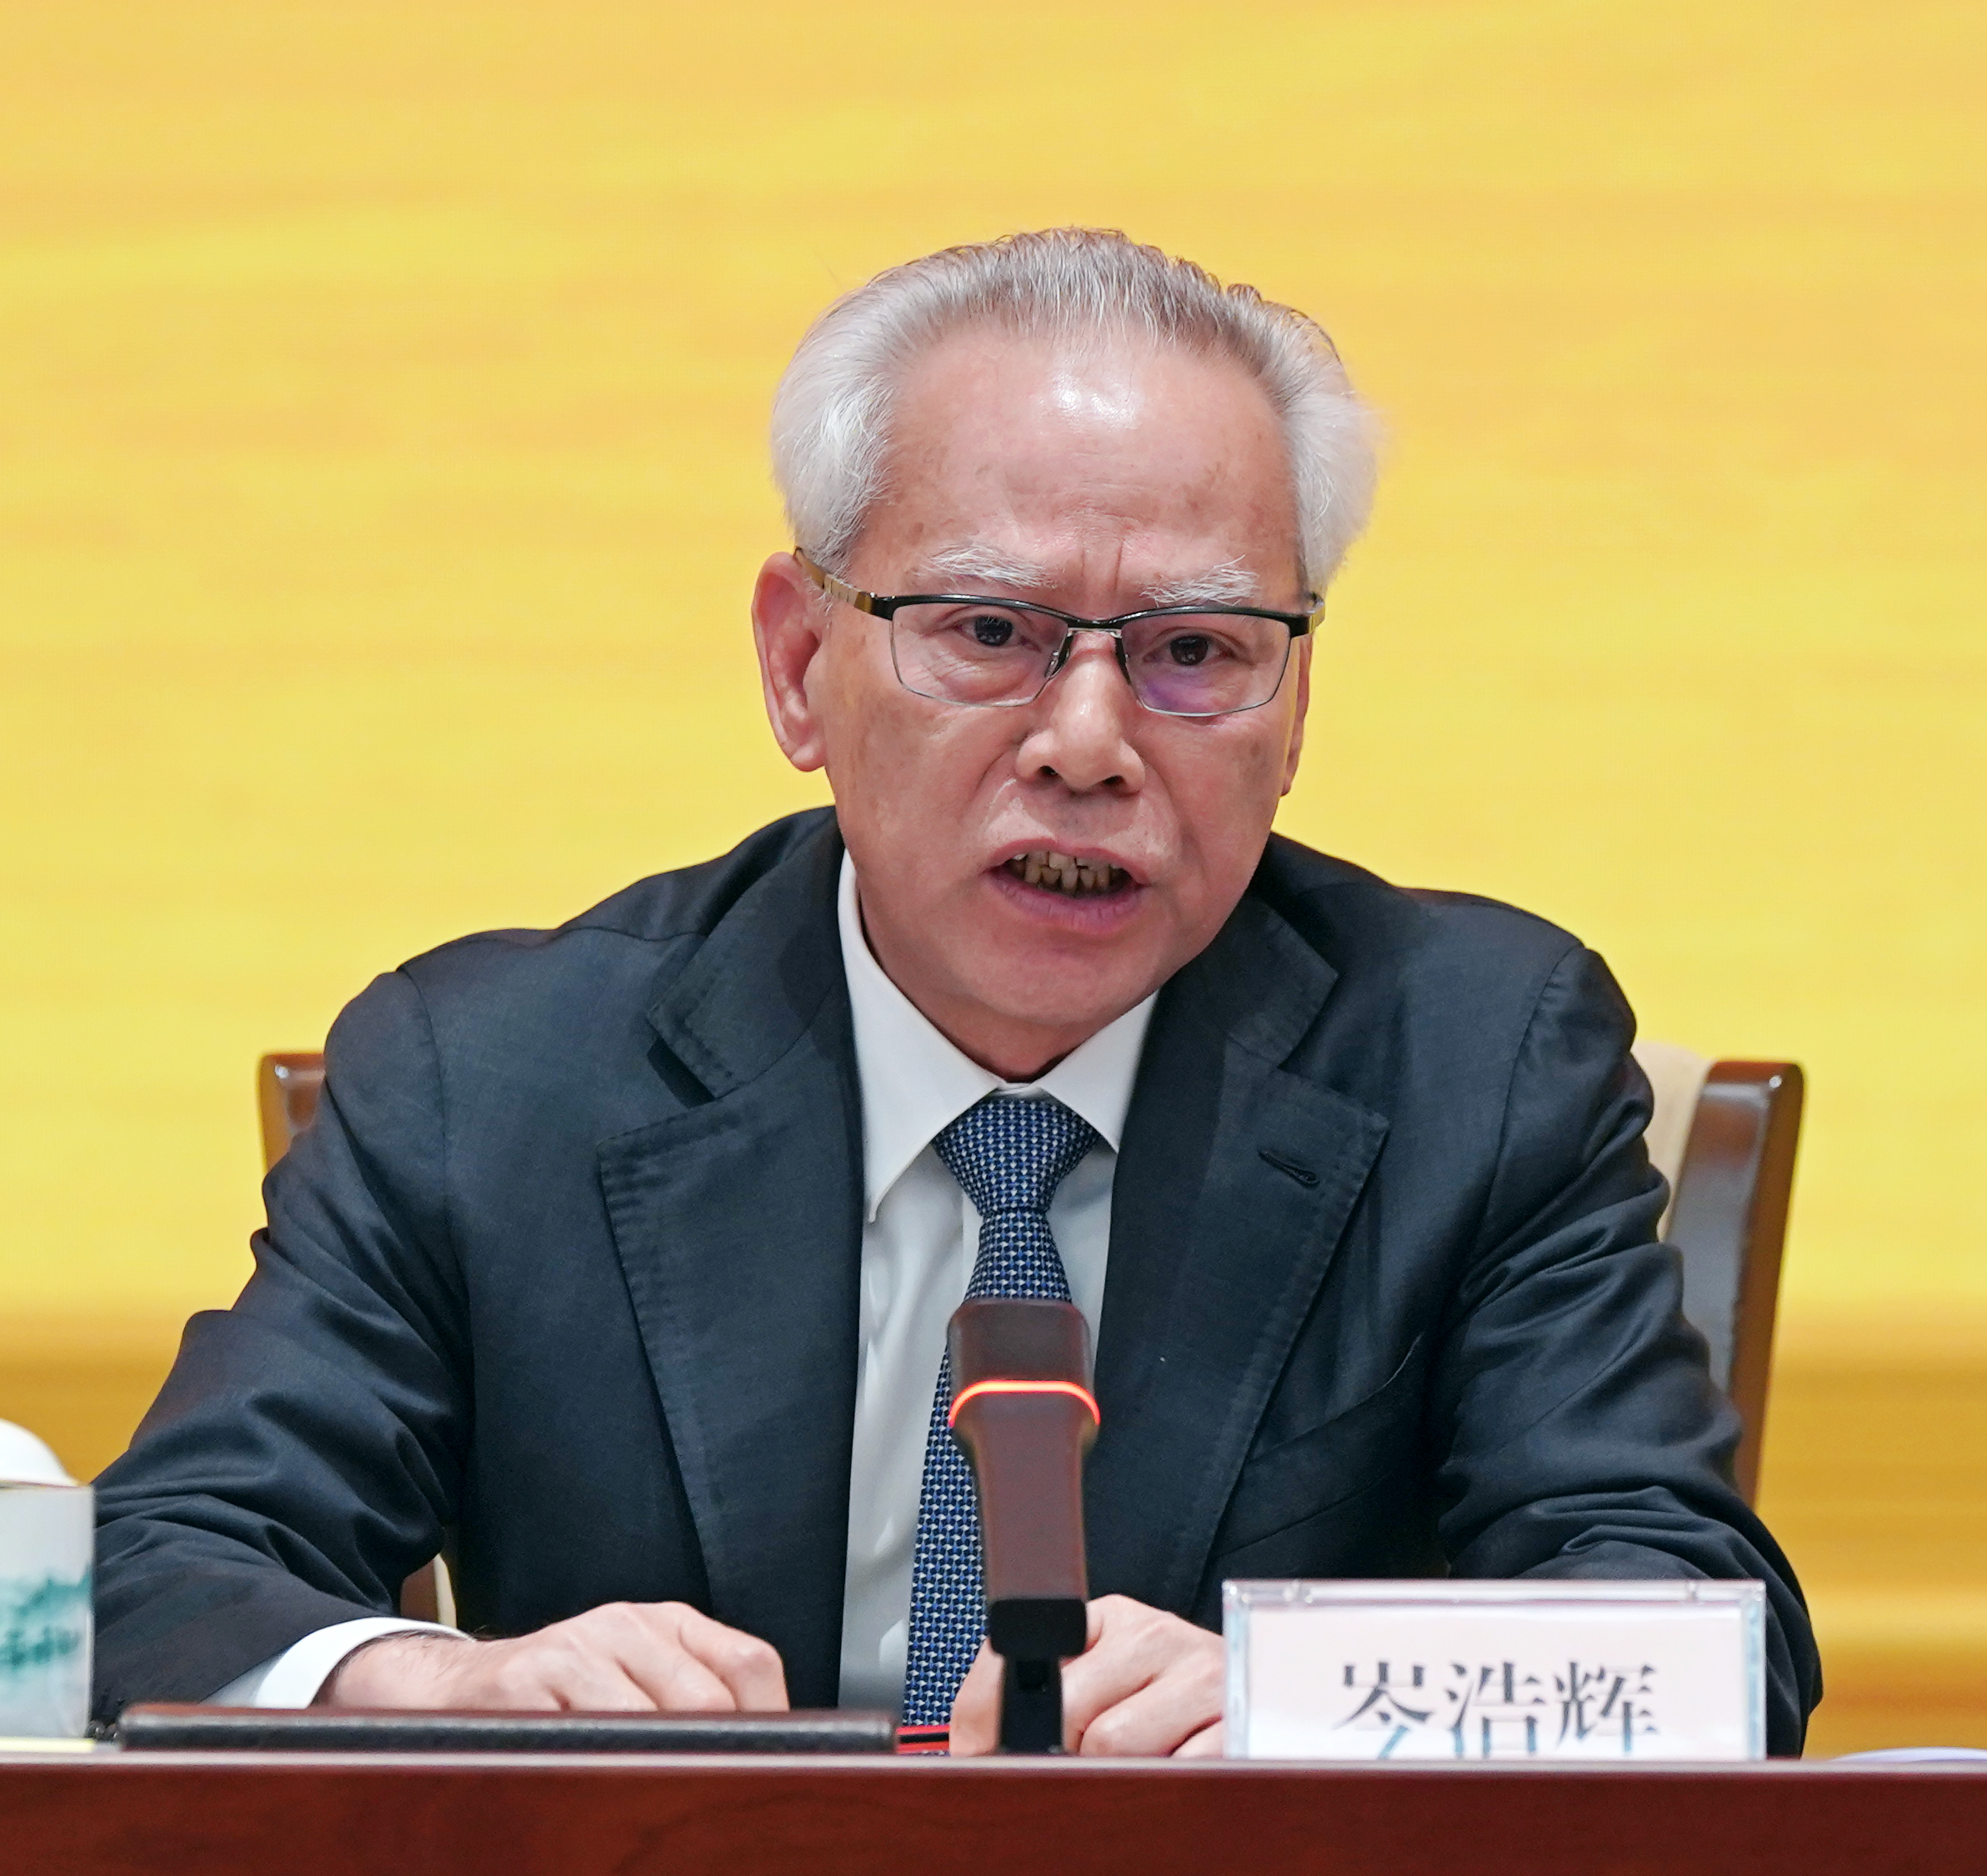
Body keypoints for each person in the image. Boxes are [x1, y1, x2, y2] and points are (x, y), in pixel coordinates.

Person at [91, 229, 1819, 1753]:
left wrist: (1304, 1701)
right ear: (799, 664)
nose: (1089, 743)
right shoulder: (497, 1077)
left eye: (1195, 652)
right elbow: (153, 1571)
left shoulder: (1473, 1062)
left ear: (1297, 707)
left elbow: (1699, 1635)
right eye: (989, 633)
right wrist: (435, 1680)